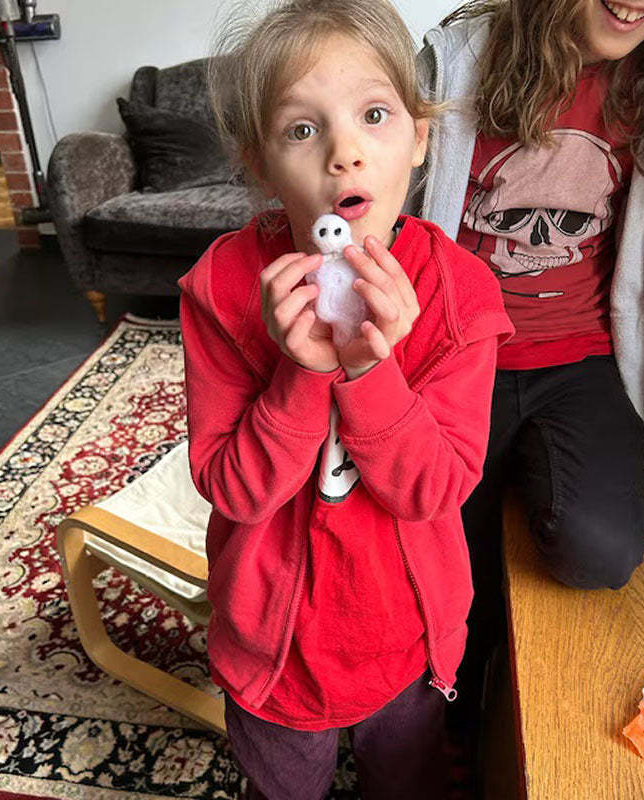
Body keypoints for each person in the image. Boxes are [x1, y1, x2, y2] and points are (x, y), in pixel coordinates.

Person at [177, 1, 513, 797]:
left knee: (408, 781)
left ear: (420, 138)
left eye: (374, 115)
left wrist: (370, 374)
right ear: (260, 164)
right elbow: (233, 489)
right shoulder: (223, 287)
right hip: (273, 652)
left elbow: (434, 489)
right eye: (302, 129)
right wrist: (301, 372)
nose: (345, 153)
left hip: (404, 640)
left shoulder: (462, 296)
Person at [418, 0, 644, 783]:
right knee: (438, 570)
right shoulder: (454, 63)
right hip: (459, 357)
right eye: (525, 221)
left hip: (582, 356)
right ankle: (446, 718)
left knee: (600, 553)